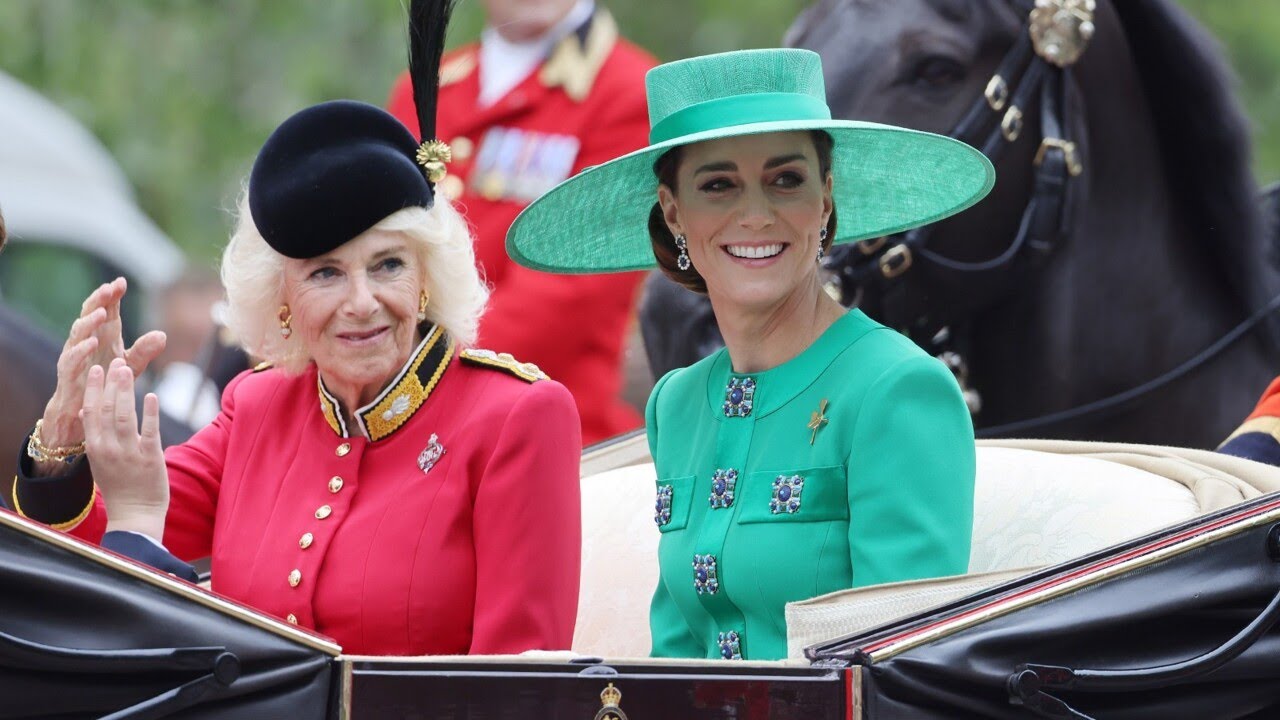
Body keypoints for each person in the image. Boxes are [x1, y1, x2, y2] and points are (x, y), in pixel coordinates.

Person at [7, 0, 582, 656]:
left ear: (425, 277)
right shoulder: (256, 408)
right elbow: (111, 549)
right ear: (281, 299)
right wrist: (60, 447)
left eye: (388, 265)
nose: (362, 302)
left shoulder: (516, 418)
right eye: (325, 275)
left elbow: (527, 691)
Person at [507, 49, 994, 661]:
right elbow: (676, 655)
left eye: (786, 180)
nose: (756, 215)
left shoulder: (897, 388)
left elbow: (900, 672)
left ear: (825, 200)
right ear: (673, 211)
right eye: (718, 185)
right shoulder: (677, 403)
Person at [386, 0, 655, 445]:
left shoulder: (628, 93)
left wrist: (405, 371)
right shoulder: (427, 84)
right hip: (399, 418)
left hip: (541, 435)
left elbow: (568, 294)